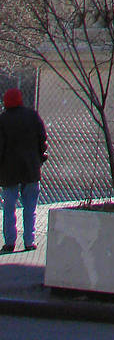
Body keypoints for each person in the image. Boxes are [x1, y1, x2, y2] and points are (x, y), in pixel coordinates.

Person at [0, 87, 47, 253]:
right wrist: (39, 157)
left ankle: (10, 242)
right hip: (31, 169)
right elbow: (43, 138)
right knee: (30, 208)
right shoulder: (32, 116)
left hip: (9, 172)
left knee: (9, 209)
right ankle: (29, 241)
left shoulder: (3, 120)